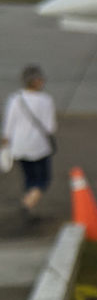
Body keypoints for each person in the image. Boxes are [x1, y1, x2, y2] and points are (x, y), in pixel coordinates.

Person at [1, 65, 57, 221]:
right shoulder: (46, 100)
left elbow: (8, 123)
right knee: (43, 179)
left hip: (18, 146)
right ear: (37, 81)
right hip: (39, 146)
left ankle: (29, 205)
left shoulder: (15, 98)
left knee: (29, 178)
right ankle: (27, 204)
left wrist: (5, 142)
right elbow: (50, 127)